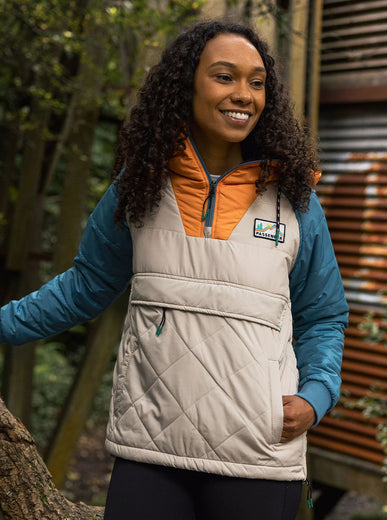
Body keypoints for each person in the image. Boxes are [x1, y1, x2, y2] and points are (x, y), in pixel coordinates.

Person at [0, 20, 348, 520]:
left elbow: (324, 314)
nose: (244, 94)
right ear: (187, 85)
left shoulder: (295, 201)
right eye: (224, 77)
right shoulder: (139, 186)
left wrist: (316, 396)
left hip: (259, 457)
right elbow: (83, 287)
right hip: (149, 453)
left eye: (256, 82)